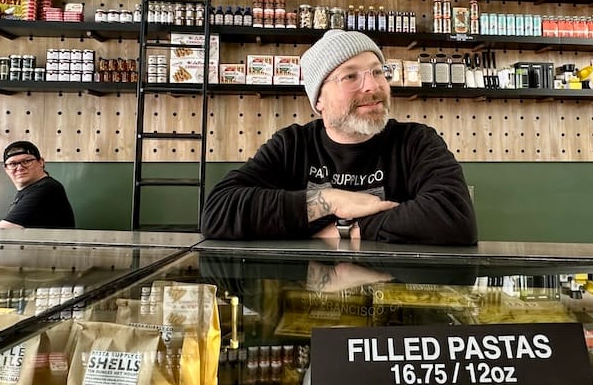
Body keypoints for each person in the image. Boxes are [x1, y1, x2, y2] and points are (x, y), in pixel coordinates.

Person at [201, 30, 477, 245]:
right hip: (304, 298)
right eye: (350, 77)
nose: (372, 86)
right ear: (318, 100)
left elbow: (455, 218)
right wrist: (331, 200)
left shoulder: (416, 142)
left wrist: (343, 229)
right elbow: (218, 212)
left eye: (377, 72)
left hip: (394, 297)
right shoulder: (292, 146)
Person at [0, 140, 76, 229]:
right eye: (12, 164)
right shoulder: (30, 190)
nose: (19, 168)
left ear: (41, 162)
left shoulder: (47, 188)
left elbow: (5, 229)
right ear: (6, 169)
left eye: (26, 161)